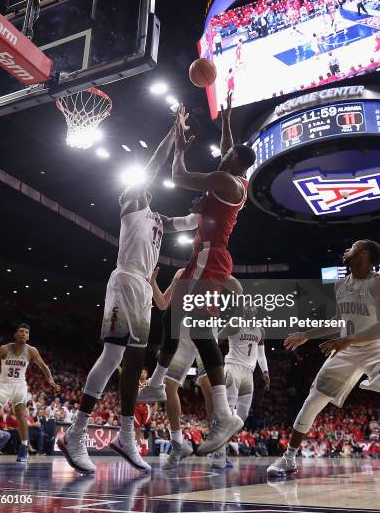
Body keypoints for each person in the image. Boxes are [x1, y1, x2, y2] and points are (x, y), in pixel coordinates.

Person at [57, 109, 199, 474]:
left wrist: (218, 205)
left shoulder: (157, 220)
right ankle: (76, 433)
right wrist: (172, 133)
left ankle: (125, 435)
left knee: (134, 363)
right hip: (125, 280)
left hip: (142, 288)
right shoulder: (133, 201)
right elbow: (152, 165)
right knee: (110, 357)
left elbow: (191, 222)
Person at [138, 94, 256, 455]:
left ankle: (223, 413)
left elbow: (178, 176)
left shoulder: (226, 180)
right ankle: (159, 382)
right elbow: (228, 152)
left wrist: (179, 146)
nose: (222, 152)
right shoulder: (236, 178)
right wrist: (225, 123)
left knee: (198, 329)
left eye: (227, 152)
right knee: (174, 317)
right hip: (203, 257)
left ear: (233, 161)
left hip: (211, 259)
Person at [267, 239, 380, 482]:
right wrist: (306, 335)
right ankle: (289, 457)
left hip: (376, 347)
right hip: (346, 351)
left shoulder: (378, 283)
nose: (347, 250)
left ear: (364, 254)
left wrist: (349, 340)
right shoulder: (340, 284)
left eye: (352, 247)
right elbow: (338, 320)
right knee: (313, 401)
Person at [151, 260, 242, 470]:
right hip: (181, 333)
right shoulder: (181, 273)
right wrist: (152, 283)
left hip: (203, 328)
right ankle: (178, 444)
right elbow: (163, 304)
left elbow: (237, 288)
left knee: (207, 385)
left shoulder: (214, 269)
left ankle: (218, 448)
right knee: (168, 387)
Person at [0, 324, 59, 463]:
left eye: (26, 332)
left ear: (28, 336)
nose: (24, 333)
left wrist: (51, 380)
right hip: (4, 384)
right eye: (21, 331)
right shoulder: (4, 349)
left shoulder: (31, 351)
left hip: (20, 386)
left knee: (20, 414)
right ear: (15, 334)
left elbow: (43, 366)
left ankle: (24, 447)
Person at [212, 302, 270, 468]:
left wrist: (265, 372)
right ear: (243, 310)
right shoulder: (235, 323)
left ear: (257, 311)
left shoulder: (261, 330)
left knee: (242, 416)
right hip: (232, 368)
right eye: (247, 307)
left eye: (252, 307)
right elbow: (217, 340)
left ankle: (219, 443)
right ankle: (219, 453)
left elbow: (261, 354)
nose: (250, 309)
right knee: (228, 410)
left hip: (249, 373)